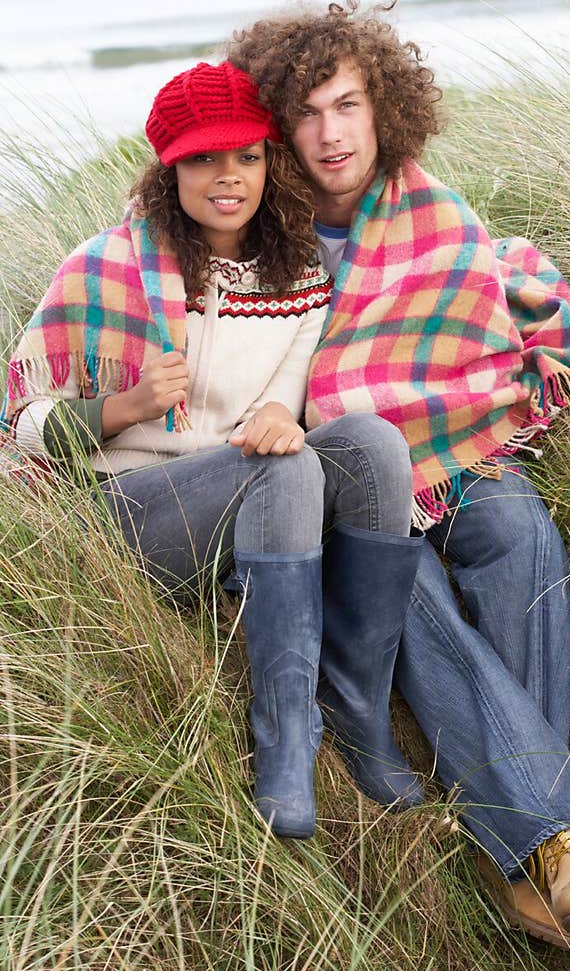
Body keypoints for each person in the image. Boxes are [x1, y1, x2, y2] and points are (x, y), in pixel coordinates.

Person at [228, 1, 570, 951]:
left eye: (349, 105)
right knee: (404, 583)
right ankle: (554, 841)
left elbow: (472, 334)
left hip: (456, 446)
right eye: (307, 113)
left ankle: (540, 856)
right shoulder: (257, 225)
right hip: (340, 469)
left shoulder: (428, 207)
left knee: (520, 531)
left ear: (382, 108)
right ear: (277, 128)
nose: (331, 134)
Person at [1, 59, 425, 837]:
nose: (228, 176)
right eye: (203, 158)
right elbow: (19, 423)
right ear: (171, 167)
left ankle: (357, 709)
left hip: (249, 503)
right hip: (122, 520)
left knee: (370, 445)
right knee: (284, 466)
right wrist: (120, 408)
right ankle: (285, 744)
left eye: (248, 156)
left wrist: (277, 413)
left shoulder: (298, 274)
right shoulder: (103, 268)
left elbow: (287, 393)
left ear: (270, 161)